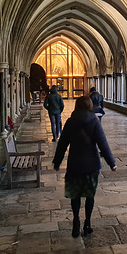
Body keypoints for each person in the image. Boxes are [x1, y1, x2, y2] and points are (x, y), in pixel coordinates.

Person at [52, 96, 117, 238]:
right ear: (90, 106)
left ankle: (76, 222)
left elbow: (62, 144)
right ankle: (87, 223)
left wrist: (57, 162)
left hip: (75, 164)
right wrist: (111, 163)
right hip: (91, 165)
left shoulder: (70, 122)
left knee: (75, 195)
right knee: (89, 195)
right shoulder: (94, 121)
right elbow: (103, 144)